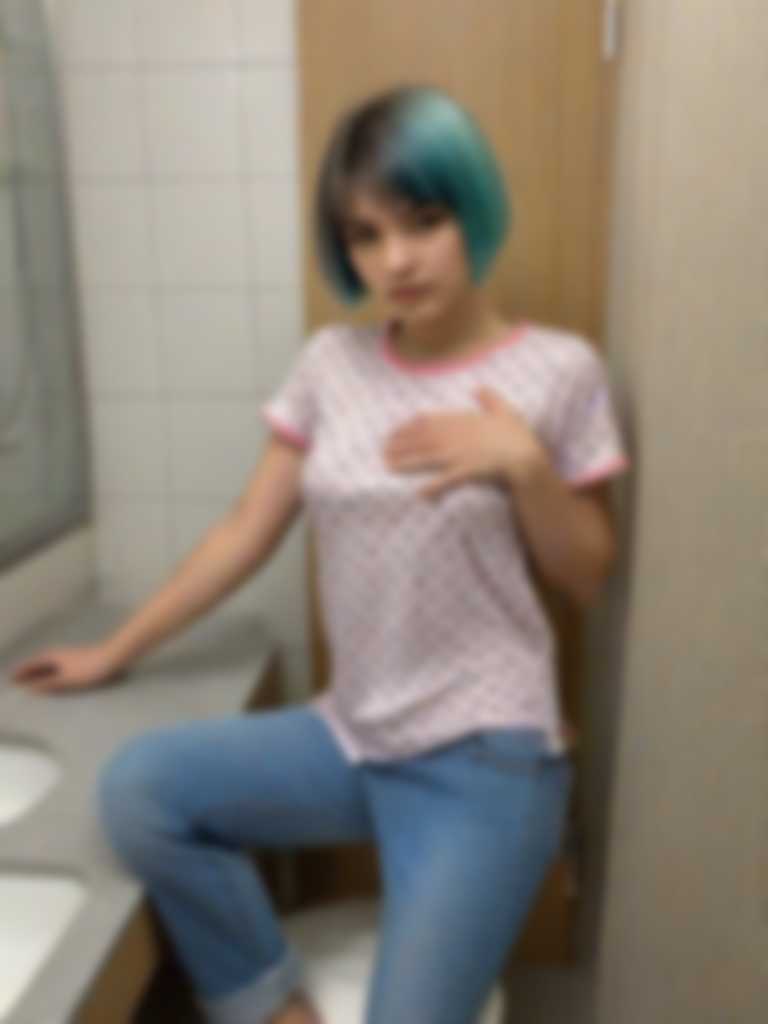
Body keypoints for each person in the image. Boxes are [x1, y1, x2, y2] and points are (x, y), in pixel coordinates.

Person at [8, 84, 630, 1024]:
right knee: (139, 789)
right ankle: (269, 1004)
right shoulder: (332, 364)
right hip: (352, 735)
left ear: (472, 210)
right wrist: (113, 652)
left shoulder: (558, 369)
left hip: (484, 760)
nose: (397, 259)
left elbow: (589, 573)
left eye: (423, 221)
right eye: (365, 236)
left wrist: (525, 466)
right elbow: (243, 531)